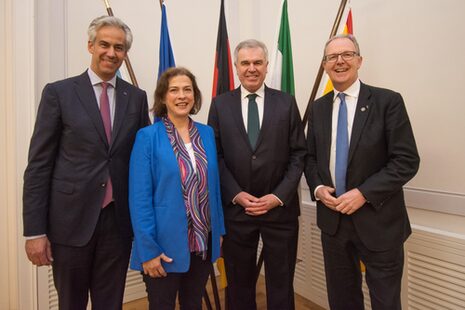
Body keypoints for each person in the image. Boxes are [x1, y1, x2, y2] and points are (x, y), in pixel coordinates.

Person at [22, 16, 150, 310]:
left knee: (110, 303)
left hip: (118, 223)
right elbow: (38, 166)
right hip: (69, 223)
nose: (111, 52)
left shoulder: (137, 98)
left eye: (119, 47)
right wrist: (34, 231)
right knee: (71, 303)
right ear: (90, 45)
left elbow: (141, 163)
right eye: (104, 44)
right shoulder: (59, 93)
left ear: (125, 53)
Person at [305, 34, 420, 310]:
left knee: (385, 302)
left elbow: (406, 160)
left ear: (359, 60)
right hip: (333, 224)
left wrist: (363, 193)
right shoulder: (318, 108)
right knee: (342, 301)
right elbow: (309, 158)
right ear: (325, 65)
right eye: (332, 57)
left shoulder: (387, 101)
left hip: (379, 223)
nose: (340, 61)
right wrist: (319, 189)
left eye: (346, 54)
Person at [208, 39, 307, 310]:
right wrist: (236, 194)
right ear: (237, 68)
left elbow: (299, 154)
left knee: (281, 283)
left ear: (266, 66)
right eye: (245, 63)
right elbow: (214, 155)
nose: (251, 68)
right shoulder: (220, 105)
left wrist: (278, 196)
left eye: (257, 63)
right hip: (237, 212)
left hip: (280, 212)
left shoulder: (286, 103)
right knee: (238, 285)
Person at [129, 67, 225, 310]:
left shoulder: (206, 133)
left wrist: (219, 233)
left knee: (193, 304)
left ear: (194, 96)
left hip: (202, 242)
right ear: (163, 97)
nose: (182, 96)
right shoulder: (147, 137)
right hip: (163, 246)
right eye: (174, 90)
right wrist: (148, 250)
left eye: (187, 90)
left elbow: (214, 188)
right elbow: (139, 198)